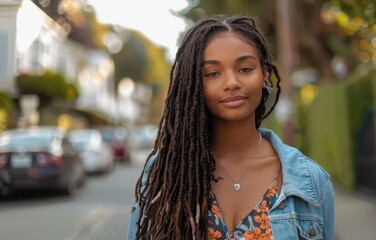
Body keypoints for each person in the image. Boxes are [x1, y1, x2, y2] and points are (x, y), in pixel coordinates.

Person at [127, 14, 334, 240]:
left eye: (245, 69)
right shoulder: (164, 174)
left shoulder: (311, 181)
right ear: (195, 84)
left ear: (265, 75)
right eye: (212, 73)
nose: (232, 82)